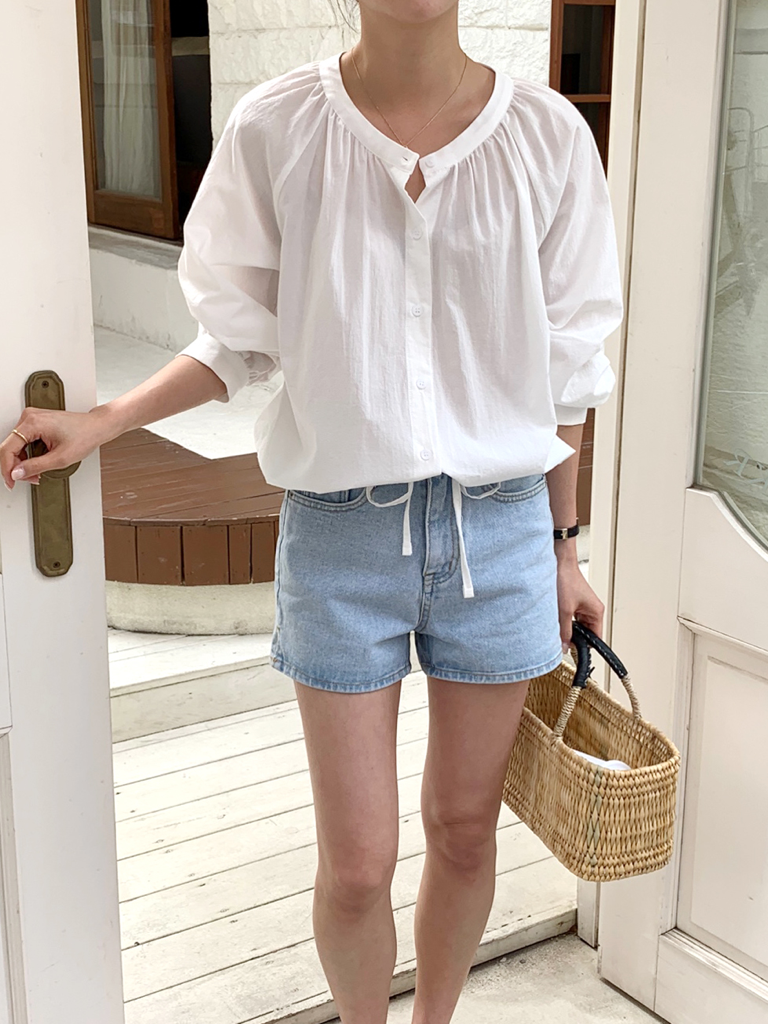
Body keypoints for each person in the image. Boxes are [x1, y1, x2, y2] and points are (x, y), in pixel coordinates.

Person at [0, 2, 623, 1020]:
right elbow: (237, 338)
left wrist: (564, 549)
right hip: (343, 534)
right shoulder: (277, 127)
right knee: (357, 863)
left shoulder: (548, 137)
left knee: (466, 830)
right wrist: (103, 421)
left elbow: (569, 373)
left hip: (502, 530)